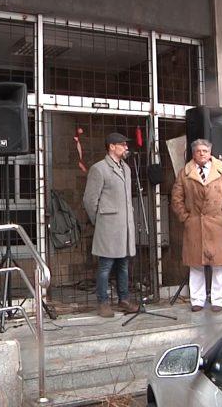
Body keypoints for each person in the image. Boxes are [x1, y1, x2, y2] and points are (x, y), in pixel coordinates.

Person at [171, 139, 222, 313]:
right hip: (194, 224)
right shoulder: (184, 173)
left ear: (210, 153)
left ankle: (218, 300)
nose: (202, 153)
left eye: (205, 151)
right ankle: (197, 300)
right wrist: (185, 218)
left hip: (218, 225)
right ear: (193, 153)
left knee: (219, 265)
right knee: (196, 266)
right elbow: (176, 198)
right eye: (199, 151)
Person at [83, 132, 139, 317]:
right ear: (112, 147)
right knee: (106, 265)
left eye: (125, 145)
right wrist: (98, 220)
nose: (126, 148)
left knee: (123, 263)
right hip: (108, 225)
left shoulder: (127, 169)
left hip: (124, 226)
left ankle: (123, 299)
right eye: (122, 145)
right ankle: (103, 302)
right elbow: (90, 200)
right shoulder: (99, 169)